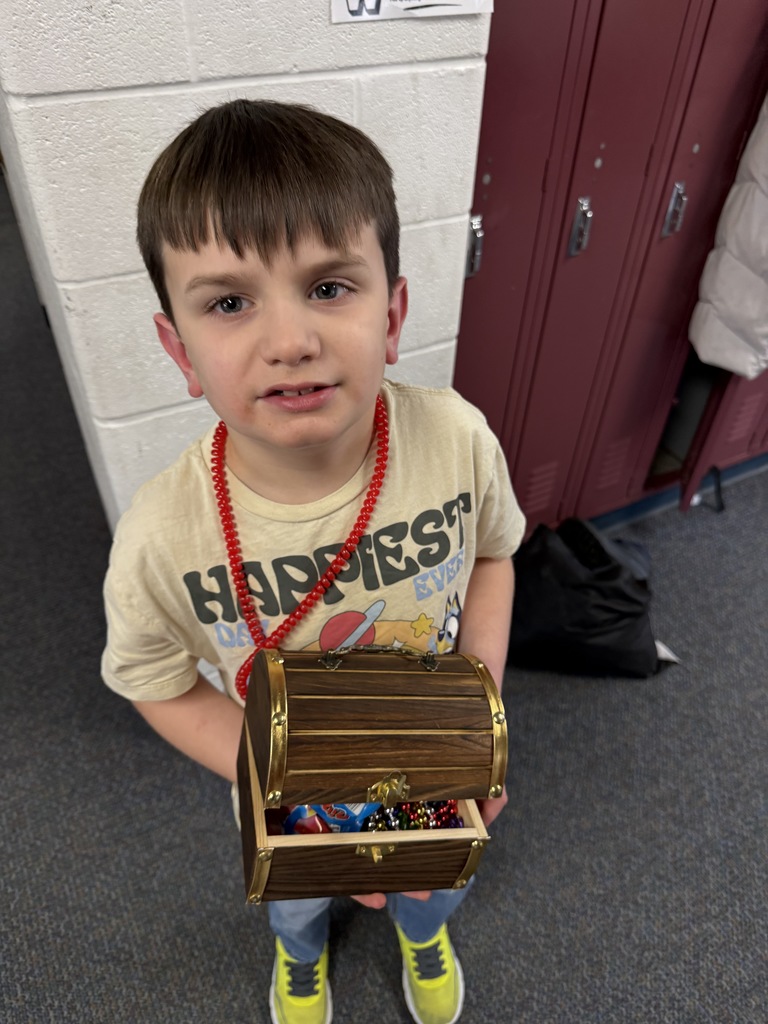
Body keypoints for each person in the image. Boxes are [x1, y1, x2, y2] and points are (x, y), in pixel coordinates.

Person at [102, 98, 526, 1024]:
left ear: (393, 312)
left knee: (431, 887)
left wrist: (478, 704)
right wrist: (267, 770)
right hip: (283, 787)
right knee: (295, 907)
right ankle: (302, 964)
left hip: (433, 768)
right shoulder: (160, 537)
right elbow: (155, 681)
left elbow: (494, 554)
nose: (290, 339)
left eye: (330, 287)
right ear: (179, 349)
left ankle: (424, 936)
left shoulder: (455, 440)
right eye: (228, 302)